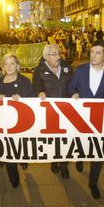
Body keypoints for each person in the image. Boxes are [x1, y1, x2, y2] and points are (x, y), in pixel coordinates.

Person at [67, 40, 104, 199]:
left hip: (100, 118)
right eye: (92, 52)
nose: (93, 56)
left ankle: (93, 182)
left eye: (98, 52)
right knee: (82, 144)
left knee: (99, 150)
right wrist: (73, 93)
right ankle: (80, 157)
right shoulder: (80, 70)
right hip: (81, 117)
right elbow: (70, 88)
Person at [0, 54, 35, 188]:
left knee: (21, 149)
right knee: (9, 152)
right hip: (5, 126)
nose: (9, 66)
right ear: (3, 67)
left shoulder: (24, 81)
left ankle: (23, 159)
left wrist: (23, 99)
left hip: (22, 125)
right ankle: (14, 179)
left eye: (12, 64)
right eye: (6, 64)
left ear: (17, 66)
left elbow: (33, 101)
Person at [33, 44, 73, 179]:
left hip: (66, 110)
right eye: (54, 54)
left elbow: (73, 84)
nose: (58, 57)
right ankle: (53, 160)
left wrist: (74, 93)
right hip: (49, 112)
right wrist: (40, 93)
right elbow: (36, 88)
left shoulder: (66, 66)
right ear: (46, 57)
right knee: (52, 139)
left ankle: (64, 165)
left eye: (58, 53)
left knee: (65, 139)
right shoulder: (39, 70)